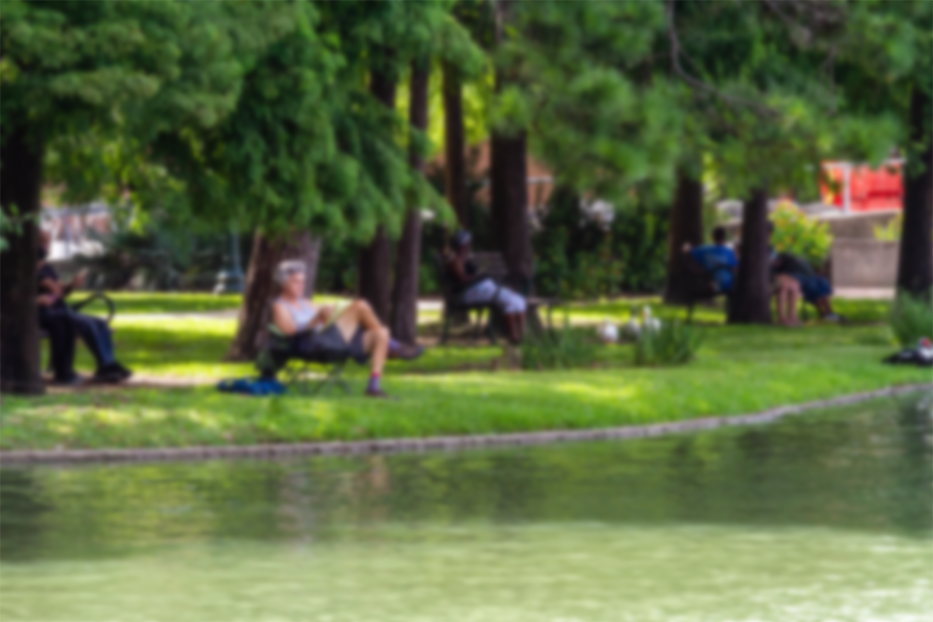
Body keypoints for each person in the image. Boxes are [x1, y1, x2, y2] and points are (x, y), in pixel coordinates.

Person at [270, 260, 423, 398]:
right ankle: (394, 346)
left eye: (303, 281)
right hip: (312, 346)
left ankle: (373, 387)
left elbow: (323, 319)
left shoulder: (306, 302)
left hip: (330, 340)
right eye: (296, 282)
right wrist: (317, 318)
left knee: (381, 333)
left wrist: (327, 314)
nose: (301, 286)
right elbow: (291, 335)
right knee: (360, 305)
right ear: (283, 283)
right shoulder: (279, 306)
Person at [37, 231, 132, 384]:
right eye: (43, 243)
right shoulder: (36, 270)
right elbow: (56, 290)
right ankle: (103, 366)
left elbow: (61, 292)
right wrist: (59, 289)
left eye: (48, 243)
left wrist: (72, 285)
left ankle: (107, 364)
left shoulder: (47, 268)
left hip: (60, 310)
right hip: (51, 313)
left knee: (100, 323)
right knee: (87, 324)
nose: (47, 247)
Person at [446, 230, 527, 344]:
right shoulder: (455, 260)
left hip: (480, 289)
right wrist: (478, 276)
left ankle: (522, 336)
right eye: (469, 243)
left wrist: (480, 275)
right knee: (508, 300)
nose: (470, 245)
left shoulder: (465, 258)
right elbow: (462, 279)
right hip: (467, 293)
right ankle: (513, 337)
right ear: (463, 244)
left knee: (519, 300)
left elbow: (471, 275)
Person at [773, 251, 839, 322]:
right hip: (802, 279)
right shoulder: (785, 264)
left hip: (808, 278)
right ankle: (826, 313)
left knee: (821, 286)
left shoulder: (796, 263)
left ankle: (828, 313)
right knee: (817, 291)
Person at [685, 226, 738, 294]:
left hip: (713, 280)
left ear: (713, 237)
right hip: (729, 284)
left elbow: (687, 250)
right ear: (724, 238)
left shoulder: (705, 250)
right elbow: (735, 268)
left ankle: (713, 286)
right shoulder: (729, 252)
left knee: (711, 280)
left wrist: (686, 245)